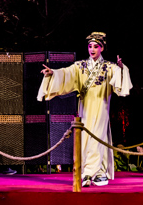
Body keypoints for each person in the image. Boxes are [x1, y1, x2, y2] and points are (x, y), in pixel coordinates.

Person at [38, 32, 132, 187]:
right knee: (87, 138)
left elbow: (120, 81)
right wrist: (53, 73)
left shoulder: (109, 67)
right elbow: (66, 73)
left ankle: (90, 173)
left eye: (96, 46)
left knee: (98, 137)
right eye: (90, 46)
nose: (92, 49)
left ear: (102, 48)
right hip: (85, 108)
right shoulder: (80, 66)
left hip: (101, 107)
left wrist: (121, 68)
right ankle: (98, 171)